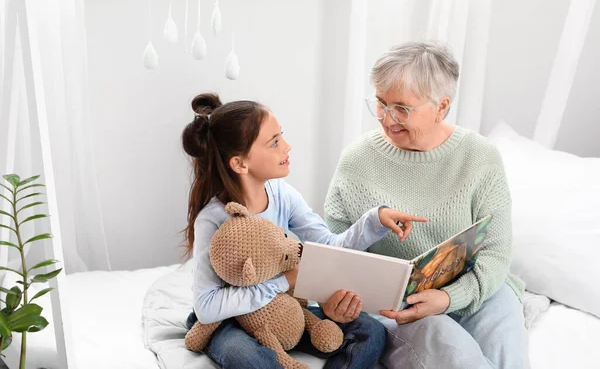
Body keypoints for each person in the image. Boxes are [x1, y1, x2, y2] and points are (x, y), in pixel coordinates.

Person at [181, 92, 427, 369]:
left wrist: (375, 220)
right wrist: (284, 280)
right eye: (274, 143)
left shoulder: (283, 195)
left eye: (281, 136)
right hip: (229, 319)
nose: (287, 147)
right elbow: (206, 307)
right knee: (246, 357)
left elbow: (328, 247)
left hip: (284, 311)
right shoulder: (213, 219)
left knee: (370, 333)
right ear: (240, 163)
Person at [324, 41, 529, 369]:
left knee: (510, 353)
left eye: (402, 108)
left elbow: (495, 254)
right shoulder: (357, 160)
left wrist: (449, 298)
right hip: (399, 305)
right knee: (454, 352)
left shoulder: (480, 157)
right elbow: (334, 251)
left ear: (441, 106)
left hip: (478, 289)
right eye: (380, 103)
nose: (388, 119)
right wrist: (336, 299)